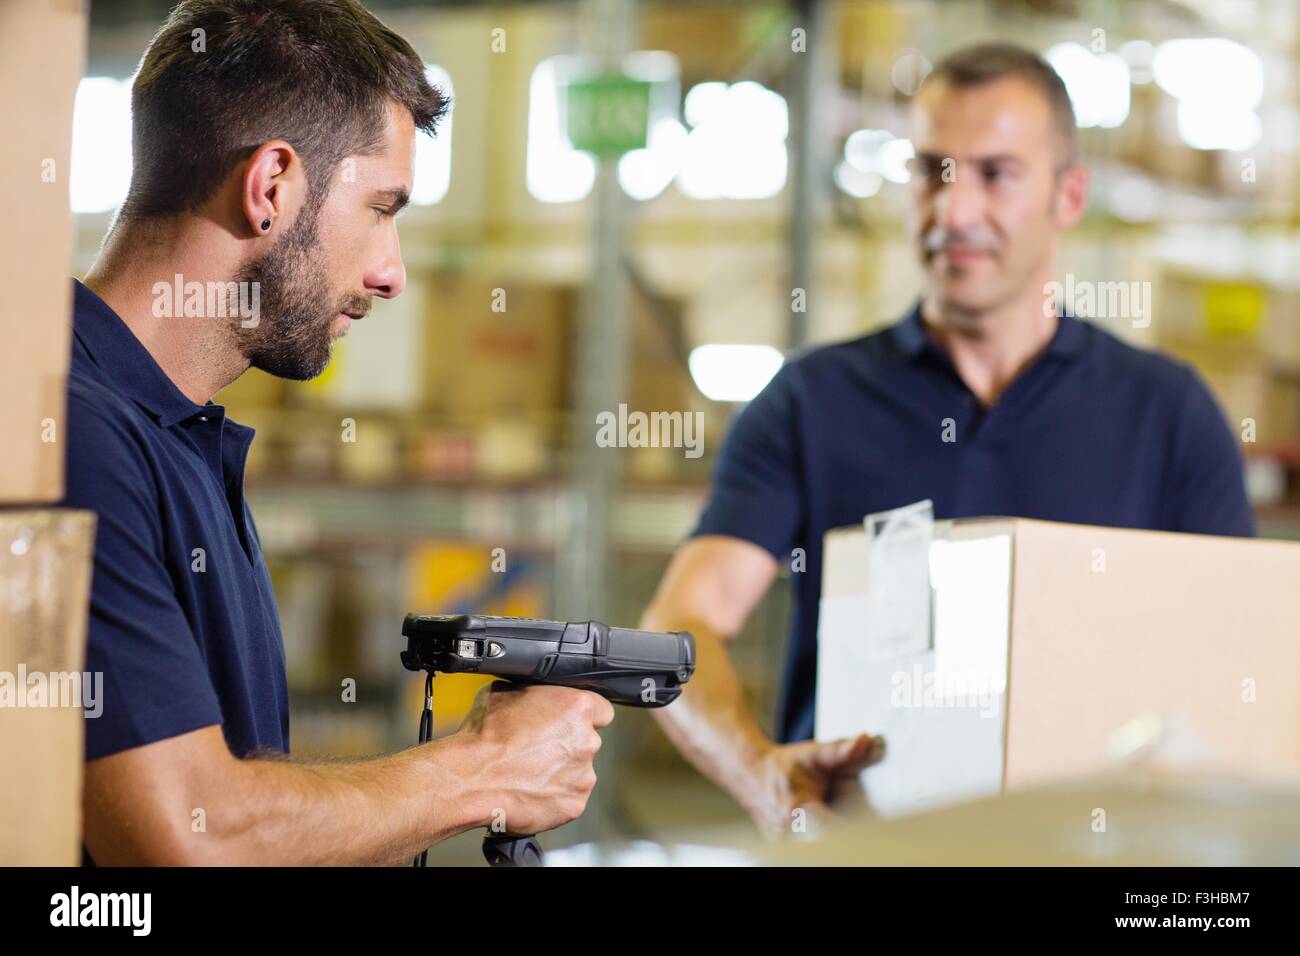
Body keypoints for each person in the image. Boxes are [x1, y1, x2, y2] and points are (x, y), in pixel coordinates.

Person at [640, 42, 1254, 838]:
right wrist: (765, 777)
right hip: (868, 853)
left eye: (996, 174)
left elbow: (1238, 655)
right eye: (932, 171)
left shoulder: (1168, 413)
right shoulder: (812, 401)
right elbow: (679, 621)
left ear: (1069, 196)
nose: (954, 212)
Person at [69, 0, 611, 865]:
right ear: (272, 186)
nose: (391, 273)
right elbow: (186, 835)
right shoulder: (73, 436)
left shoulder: (179, 436)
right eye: (381, 210)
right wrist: (485, 770)